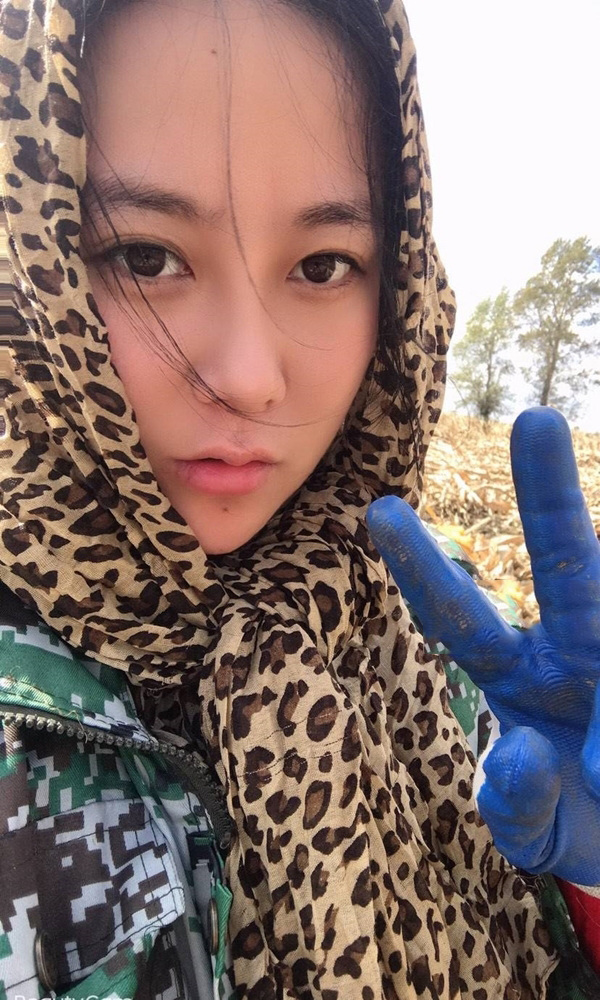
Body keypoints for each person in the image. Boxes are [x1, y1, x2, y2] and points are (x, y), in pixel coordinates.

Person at [0, 0, 599, 997]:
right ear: (31, 261)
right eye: (145, 256)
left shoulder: (447, 637)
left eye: (323, 267)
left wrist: (588, 889)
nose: (249, 377)